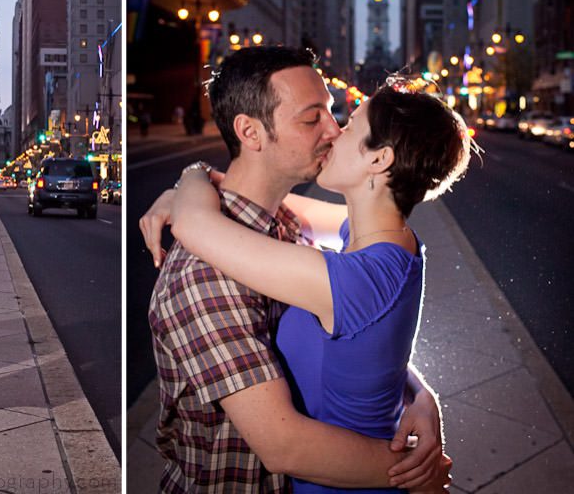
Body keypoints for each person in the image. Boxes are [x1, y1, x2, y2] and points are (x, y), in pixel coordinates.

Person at [139, 47, 454, 493]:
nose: (332, 129)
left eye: (335, 114)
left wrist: (418, 394)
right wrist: (413, 473)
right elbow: (285, 444)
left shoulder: (291, 229)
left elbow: (363, 337)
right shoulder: (204, 277)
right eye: (312, 119)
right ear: (249, 131)